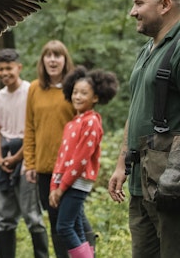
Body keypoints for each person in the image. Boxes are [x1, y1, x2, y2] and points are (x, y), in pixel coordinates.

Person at [108, 0, 180, 258]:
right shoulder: (146, 50)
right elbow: (136, 108)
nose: (132, 12)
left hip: (170, 184)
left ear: (164, 5)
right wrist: (121, 164)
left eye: (139, 4)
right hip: (140, 180)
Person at [23, 40, 95, 257]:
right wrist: (30, 163)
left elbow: (86, 124)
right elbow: (29, 127)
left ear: (65, 61)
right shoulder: (35, 88)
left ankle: (88, 253)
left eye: (58, 55)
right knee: (56, 220)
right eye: (48, 55)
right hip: (45, 168)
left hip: (69, 168)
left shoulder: (76, 89)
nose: (53, 60)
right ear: (43, 60)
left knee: (74, 219)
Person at [49, 66, 118, 258]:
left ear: (95, 97)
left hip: (77, 182)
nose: (78, 97)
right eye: (75, 92)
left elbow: (80, 160)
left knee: (64, 227)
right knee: (77, 227)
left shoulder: (92, 121)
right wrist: (54, 186)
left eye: (84, 93)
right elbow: (61, 158)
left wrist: (61, 188)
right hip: (65, 181)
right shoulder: (72, 123)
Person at [0, 48, 48, 258]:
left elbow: (35, 129)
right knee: (5, 217)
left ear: (19, 68)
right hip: (4, 157)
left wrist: (17, 158)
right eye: (1, 70)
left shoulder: (31, 90)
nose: (5, 73)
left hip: (26, 158)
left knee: (32, 216)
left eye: (9, 68)